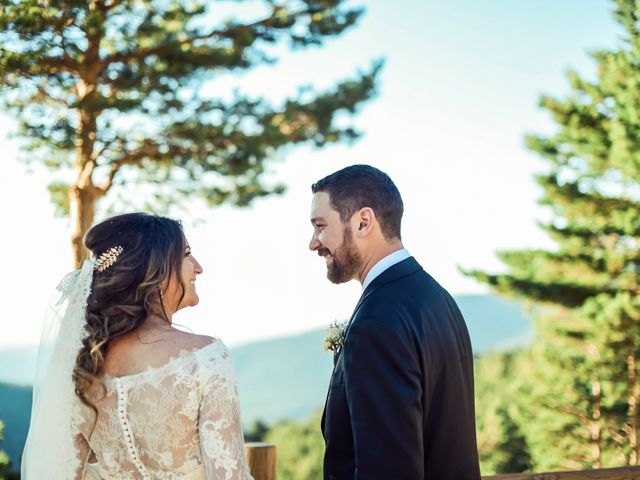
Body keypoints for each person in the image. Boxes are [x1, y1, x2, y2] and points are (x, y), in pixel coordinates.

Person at [22, 212, 253, 480]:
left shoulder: (84, 369)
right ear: (157, 269)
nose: (198, 267)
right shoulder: (205, 358)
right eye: (186, 255)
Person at [309, 165, 481, 480]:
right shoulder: (438, 299)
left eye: (320, 225)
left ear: (363, 222)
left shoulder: (376, 321)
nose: (313, 243)